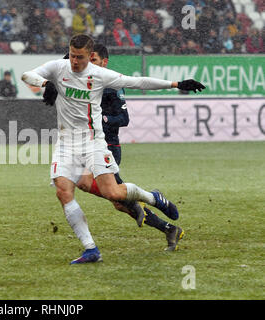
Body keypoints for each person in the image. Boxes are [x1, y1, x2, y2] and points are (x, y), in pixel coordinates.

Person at [22, 34, 205, 264]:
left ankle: (152, 197)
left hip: (93, 143)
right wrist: (46, 84)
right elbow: (27, 75)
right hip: (66, 143)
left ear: (91, 57)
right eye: (71, 55)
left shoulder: (99, 75)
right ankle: (91, 249)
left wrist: (176, 84)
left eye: (80, 57)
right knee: (63, 190)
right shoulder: (59, 67)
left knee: (115, 194)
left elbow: (137, 82)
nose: (74, 61)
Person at [43, 44, 185, 251]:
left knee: (117, 199)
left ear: (104, 62)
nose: (89, 64)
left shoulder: (110, 84)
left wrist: (102, 119)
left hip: (106, 146)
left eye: (94, 60)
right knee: (106, 194)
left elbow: (124, 118)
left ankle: (159, 210)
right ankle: (160, 219)